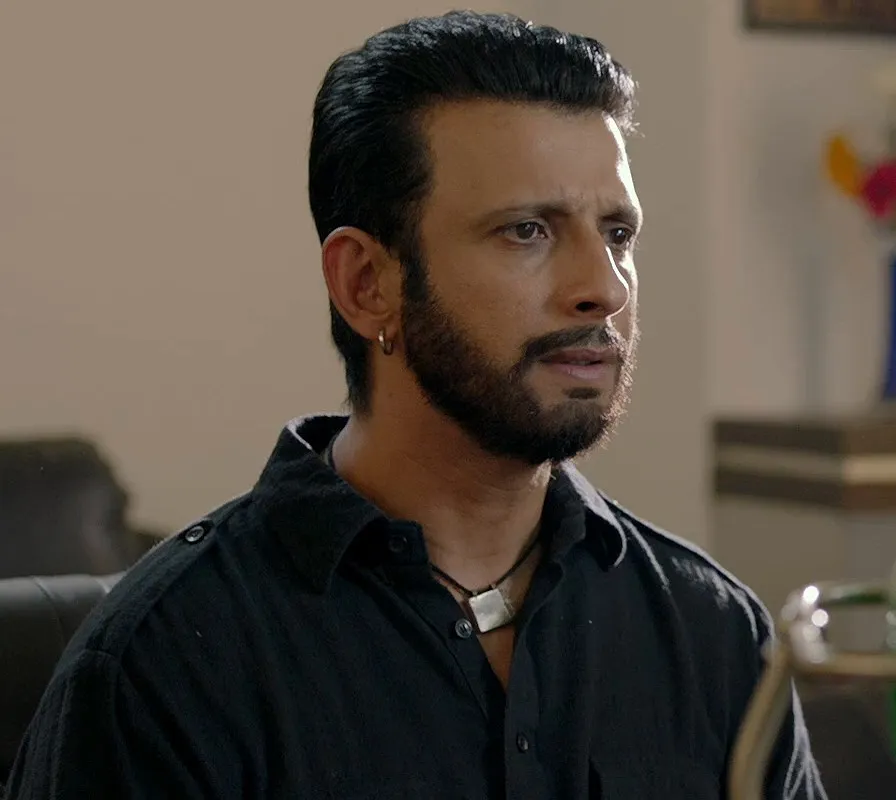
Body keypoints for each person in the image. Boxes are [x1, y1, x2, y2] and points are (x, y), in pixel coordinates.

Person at [4, 12, 825, 800]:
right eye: (527, 231)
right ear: (367, 283)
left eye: (616, 234)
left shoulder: (712, 631)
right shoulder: (172, 662)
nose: (603, 289)